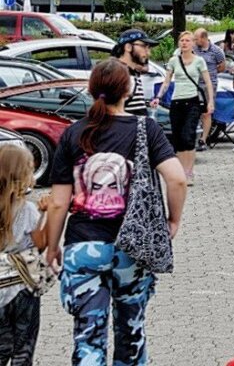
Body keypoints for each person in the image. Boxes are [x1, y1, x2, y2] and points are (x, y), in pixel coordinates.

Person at [46, 58, 186, 365]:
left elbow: (58, 202)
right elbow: (176, 178)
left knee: (88, 335)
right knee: (131, 331)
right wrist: (172, 220)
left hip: (82, 245)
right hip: (131, 248)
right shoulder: (145, 129)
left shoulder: (73, 134)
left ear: (92, 89)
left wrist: (52, 246)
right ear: (129, 89)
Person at [155, 31, 214, 186]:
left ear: (193, 43)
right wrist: (158, 97)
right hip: (177, 102)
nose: (184, 43)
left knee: (189, 136)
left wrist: (210, 101)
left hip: (192, 102)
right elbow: (166, 82)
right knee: (179, 139)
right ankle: (181, 171)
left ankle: (189, 171)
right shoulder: (174, 60)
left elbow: (207, 82)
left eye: (188, 40)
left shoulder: (199, 61)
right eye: (182, 40)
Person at [0, 146, 41, 365]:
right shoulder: (29, 211)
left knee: (1, 347)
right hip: (22, 285)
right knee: (23, 347)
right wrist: (47, 214)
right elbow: (39, 245)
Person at [110, 28, 159, 117]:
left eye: (149, 48)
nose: (148, 53)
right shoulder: (120, 75)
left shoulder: (132, 73)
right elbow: (111, 111)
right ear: (128, 47)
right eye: (144, 46)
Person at [193, 28, 226, 152]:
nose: (195, 41)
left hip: (209, 85)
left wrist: (210, 73)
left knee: (207, 112)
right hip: (195, 84)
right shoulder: (194, 49)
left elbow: (222, 66)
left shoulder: (217, 51)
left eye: (197, 39)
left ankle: (203, 139)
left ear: (204, 38)